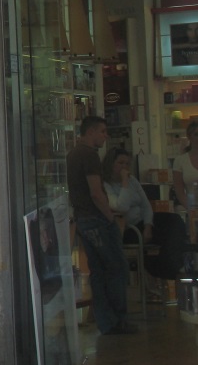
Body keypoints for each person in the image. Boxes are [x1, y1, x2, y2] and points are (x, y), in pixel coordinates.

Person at [67, 116, 134, 335]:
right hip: (97, 218)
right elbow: (96, 192)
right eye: (103, 132)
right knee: (116, 268)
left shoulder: (73, 154)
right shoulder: (89, 156)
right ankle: (119, 319)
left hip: (83, 219)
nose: (106, 136)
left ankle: (105, 321)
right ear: (92, 131)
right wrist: (109, 217)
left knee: (97, 271)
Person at [103, 147, 186, 281]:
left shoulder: (133, 181)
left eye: (127, 164)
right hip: (129, 227)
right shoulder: (106, 185)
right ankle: (168, 266)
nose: (124, 167)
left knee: (174, 221)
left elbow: (146, 205)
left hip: (144, 222)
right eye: (120, 163)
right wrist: (124, 182)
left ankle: (168, 262)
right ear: (111, 164)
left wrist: (148, 225)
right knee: (168, 234)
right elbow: (122, 207)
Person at [172, 120, 198, 214]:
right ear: (189, 136)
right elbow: (179, 192)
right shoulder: (180, 161)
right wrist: (192, 209)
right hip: (192, 209)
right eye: (196, 134)